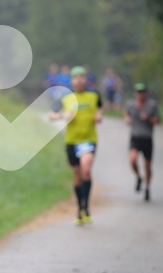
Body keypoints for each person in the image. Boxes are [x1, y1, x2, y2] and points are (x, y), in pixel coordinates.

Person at [49, 66, 103, 225]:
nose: (79, 79)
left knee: (86, 168)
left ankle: (87, 206)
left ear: (86, 79)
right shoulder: (64, 97)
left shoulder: (94, 94)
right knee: (78, 176)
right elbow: (51, 115)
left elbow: (100, 107)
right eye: (75, 77)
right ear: (71, 80)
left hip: (88, 139)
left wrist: (98, 116)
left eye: (82, 77)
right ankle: (80, 209)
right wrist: (61, 115)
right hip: (71, 141)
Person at [124, 83, 160, 201]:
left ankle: (148, 188)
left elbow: (158, 120)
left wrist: (149, 118)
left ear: (146, 93)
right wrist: (127, 119)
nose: (140, 94)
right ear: (135, 93)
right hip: (135, 137)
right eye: (138, 92)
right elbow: (126, 114)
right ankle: (139, 177)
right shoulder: (131, 105)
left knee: (147, 166)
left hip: (147, 138)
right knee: (133, 159)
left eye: (142, 92)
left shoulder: (151, 105)